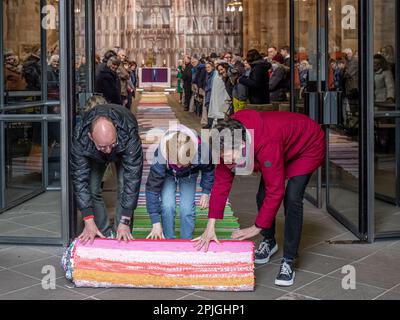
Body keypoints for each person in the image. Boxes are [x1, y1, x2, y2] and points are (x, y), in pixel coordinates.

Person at [195, 110, 326, 287]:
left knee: (292, 199)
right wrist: (210, 226)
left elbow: (276, 190)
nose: (226, 162)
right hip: (281, 146)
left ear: (241, 144)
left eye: (229, 157)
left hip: (307, 145)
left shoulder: (266, 142)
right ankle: (270, 241)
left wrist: (256, 227)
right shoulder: (226, 140)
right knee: (261, 196)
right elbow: (221, 184)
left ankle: (289, 259)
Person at [71, 104, 143, 244]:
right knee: (91, 189)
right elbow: (80, 180)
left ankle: (121, 234)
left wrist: (125, 220)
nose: (109, 151)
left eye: (111, 144)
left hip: (123, 150)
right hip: (94, 154)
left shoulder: (129, 133)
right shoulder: (80, 137)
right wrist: (88, 219)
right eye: (103, 147)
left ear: (116, 129)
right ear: (90, 136)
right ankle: (101, 233)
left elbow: (132, 180)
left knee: (124, 188)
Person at [146, 125, 215, 240]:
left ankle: (186, 241)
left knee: (187, 208)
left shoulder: (202, 151)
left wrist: (206, 192)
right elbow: (152, 189)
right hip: (168, 174)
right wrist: (155, 222)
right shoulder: (161, 155)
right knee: (167, 205)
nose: (178, 166)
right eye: (175, 162)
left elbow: (208, 170)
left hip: (189, 174)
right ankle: (168, 240)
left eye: (183, 163)